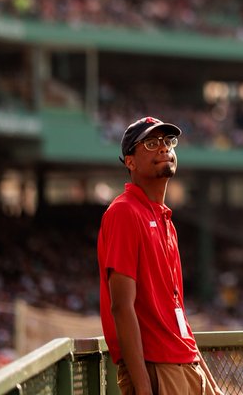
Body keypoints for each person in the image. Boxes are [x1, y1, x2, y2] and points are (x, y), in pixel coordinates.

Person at [98, 116, 224, 395]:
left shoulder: (166, 221)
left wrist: (210, 382)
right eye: (151, 143)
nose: (164, 148)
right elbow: (121, 307)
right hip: (157, 369)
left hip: (187, 364)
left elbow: (177, 310)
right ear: (129, 161)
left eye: (168, 142)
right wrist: (143, 388)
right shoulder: (124, 212)